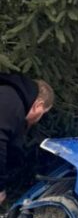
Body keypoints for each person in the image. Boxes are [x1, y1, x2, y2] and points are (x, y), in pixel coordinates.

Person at [0, 73, 54, 205]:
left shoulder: (9, 96)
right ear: (39, 105)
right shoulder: (11, 102)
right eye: (43, 113)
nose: (38, 119)